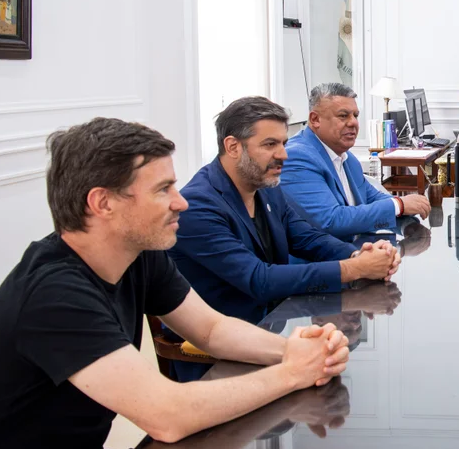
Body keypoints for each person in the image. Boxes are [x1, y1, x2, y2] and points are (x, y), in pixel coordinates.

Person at [0, 119, 351, 449]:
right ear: (102, 202)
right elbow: (166, 416)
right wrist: (292, 372)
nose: (181, 201)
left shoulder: (137, 253)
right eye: (163, 189)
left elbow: (211, 329)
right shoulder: (54, 294)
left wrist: (297, 350)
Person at [169, 97, 399, 379]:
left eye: (283, 143)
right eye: (270, 145)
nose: (283, 155)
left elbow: (307, 237)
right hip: (217, 360)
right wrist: (354, 269)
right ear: (232, 146)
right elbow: (259, 280)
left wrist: (358, 255)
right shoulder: (198, 206)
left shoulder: (265, 186)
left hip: (272, 330)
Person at [281, 83, 431, 240]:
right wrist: (399, 206)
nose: (353, 122)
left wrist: (408, 204)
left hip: (358, 252)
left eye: (355, 115)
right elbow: (330, 221)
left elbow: (372, 197)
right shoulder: (297, 157)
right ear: (315, 119)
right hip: (323, 261)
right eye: (343, 115)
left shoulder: (347, 158)